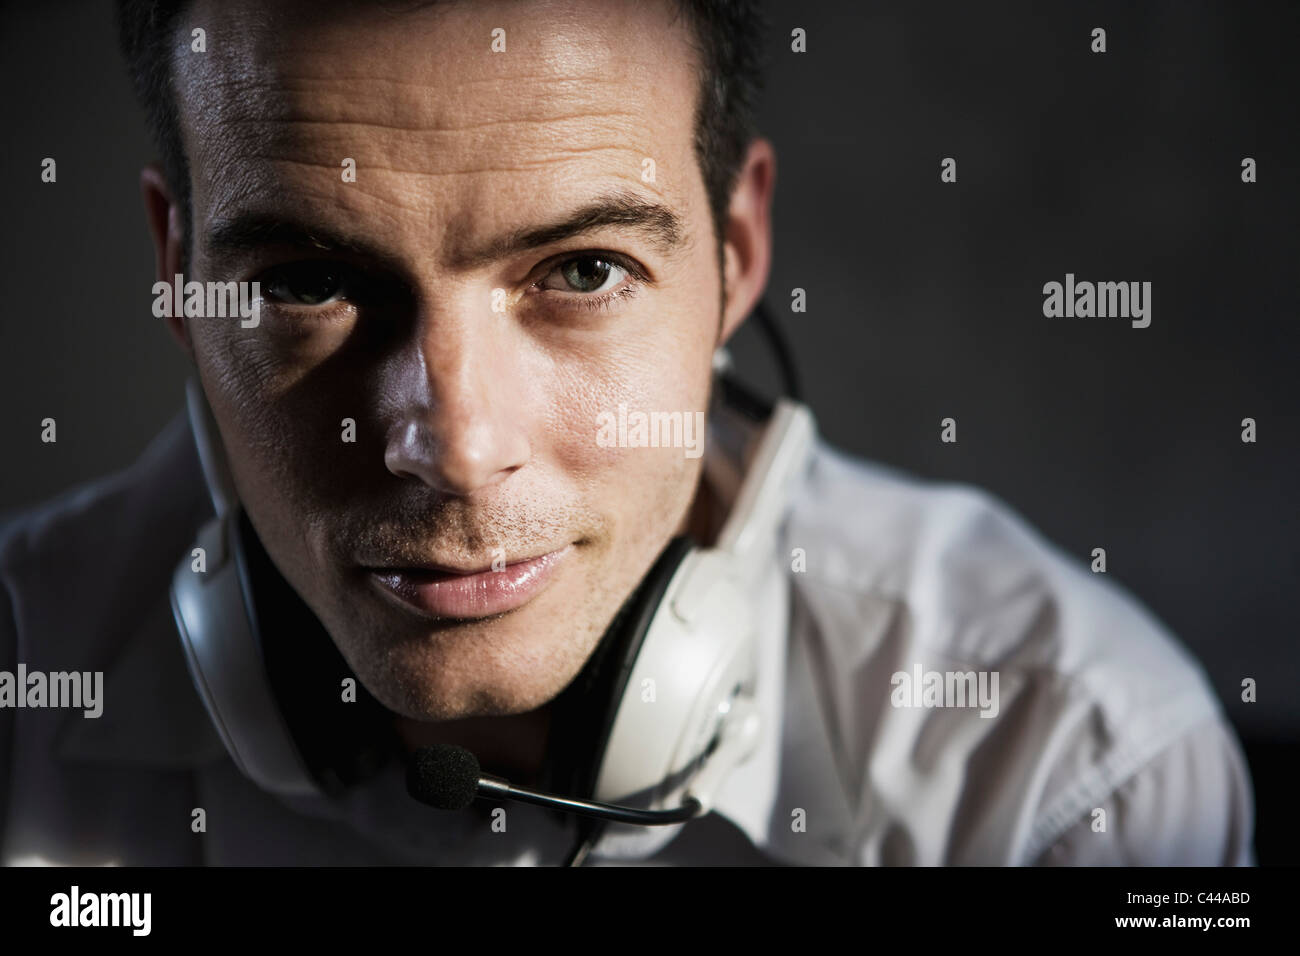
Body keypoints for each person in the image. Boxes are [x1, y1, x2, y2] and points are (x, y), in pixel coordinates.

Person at [0, 0, 1253, 866]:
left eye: (583, 270)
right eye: (305, 283)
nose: (451, 443)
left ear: (736, 252)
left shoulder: (1072, 772)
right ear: (177, 271)